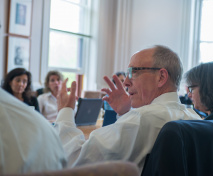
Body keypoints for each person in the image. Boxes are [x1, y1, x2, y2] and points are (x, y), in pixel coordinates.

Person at [54, 45, 201, 170]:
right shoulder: (194, 117)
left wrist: (65, 112)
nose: (126, 82)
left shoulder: (142, 119)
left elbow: (73, 159)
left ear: (161, 77)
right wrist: (126, 113)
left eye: (134, 72)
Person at [0, 88, 67, 174]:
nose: (21, 84)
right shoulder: (42, 99)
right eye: (18, 80)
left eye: (24, 81)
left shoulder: (31, 100)